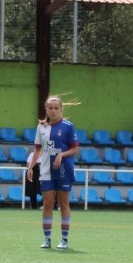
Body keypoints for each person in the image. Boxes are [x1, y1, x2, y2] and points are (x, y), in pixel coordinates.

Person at [31, 95, 81, 250]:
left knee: (64, 203)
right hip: (46, 170)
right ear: (46, 109)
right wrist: (31, 167)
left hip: (64, 169)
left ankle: (64, 240)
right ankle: (47, 239)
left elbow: (74, 148)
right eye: (50, 108)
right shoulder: (41, 127)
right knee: (47, 204)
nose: (53, 111)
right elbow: (38, 149)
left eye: (56, 108)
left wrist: (61, 154)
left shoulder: (68, 126)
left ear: (61, 109)